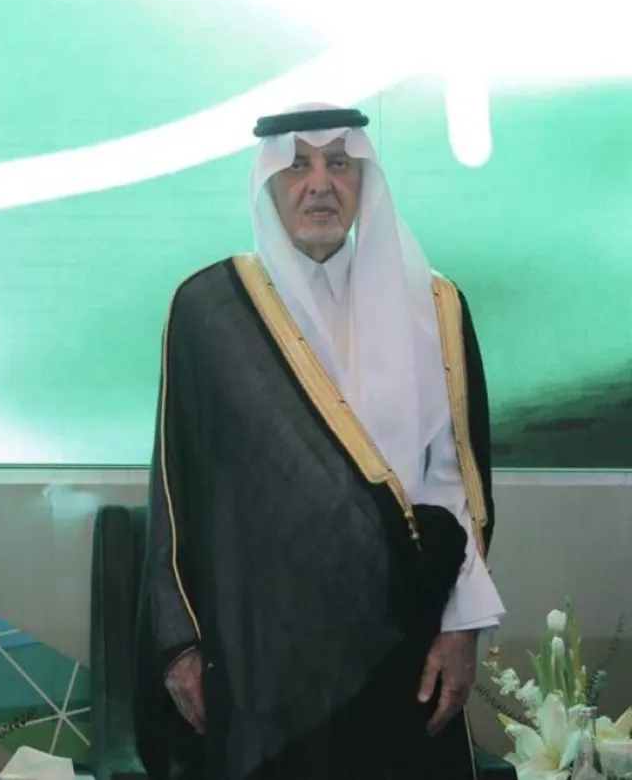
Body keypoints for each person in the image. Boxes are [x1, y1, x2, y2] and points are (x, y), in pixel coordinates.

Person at [133, 103, 505, 779]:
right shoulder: (210, 312)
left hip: (401, 647)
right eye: (297, 166)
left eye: (339, 163)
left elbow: (454, 481)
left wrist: (461, 628)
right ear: (268, 182)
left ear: (365, 179)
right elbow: (175, 494)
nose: (320, 184)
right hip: (265, 659)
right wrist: (180, 646)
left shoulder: (432, 307)